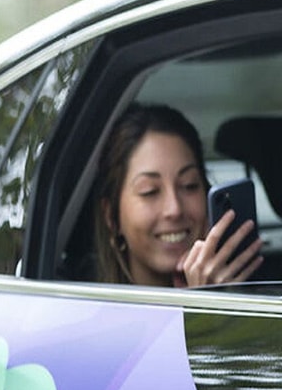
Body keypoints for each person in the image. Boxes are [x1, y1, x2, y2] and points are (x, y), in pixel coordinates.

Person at [93, 103, 263, 287]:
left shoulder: (263, 299)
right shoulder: (85, 312)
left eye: (189, 186)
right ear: (111, 217)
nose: (174, 209)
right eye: (150, 191)